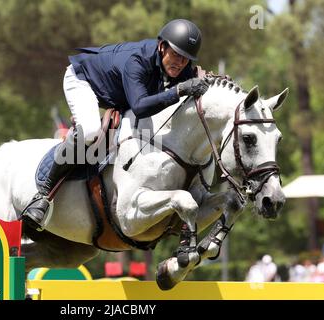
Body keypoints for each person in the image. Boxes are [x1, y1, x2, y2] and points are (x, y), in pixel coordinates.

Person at [22, 19, 210, 231]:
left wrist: (207, 82)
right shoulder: (136, 61)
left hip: (119, 93)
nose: (180, 63)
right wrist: (178, 91)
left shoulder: (179, 65)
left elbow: (189, 85)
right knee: (91, 131)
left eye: (186, 59)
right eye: (176, 55)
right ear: (161, 46)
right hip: (84, 80)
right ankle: (43, 195)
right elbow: (140, 106)